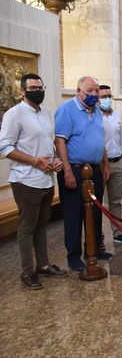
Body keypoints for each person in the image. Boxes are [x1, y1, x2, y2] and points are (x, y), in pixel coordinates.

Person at [0, 73, 68, 289]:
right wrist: (35, 161)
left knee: (41, 224)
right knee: (27, 226)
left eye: (40, 87)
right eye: (32, 88)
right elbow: (5, 147)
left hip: (46, 180)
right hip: (26, 179)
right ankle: (28, 271)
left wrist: (56, 160)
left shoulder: (45, 113)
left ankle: (44, 264)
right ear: (22, 91)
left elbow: (48, 143)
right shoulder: (15, 114)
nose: (38, 91)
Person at [54, 76, 112, 271]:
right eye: (90, 91)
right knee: (74, 213)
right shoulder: (66, 110)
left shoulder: (96, 111)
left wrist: (105, 164)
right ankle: (73, 255)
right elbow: (60, 141)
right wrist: (67, 171)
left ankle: (94, 249)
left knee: (95, 210)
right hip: (75, 170)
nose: (94, 95)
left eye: (96, 91)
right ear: (79, 91)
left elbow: (99, 139)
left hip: (94, 170)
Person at [98, 85, 122, 245]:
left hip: (117, 162)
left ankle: (118, 232)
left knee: (116, 201)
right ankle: (96, 236)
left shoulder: (116, 115)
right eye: (103, 96)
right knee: (97, 201)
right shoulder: (94, 116)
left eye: (109, 96)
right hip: (100, 164)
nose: (107, 99)